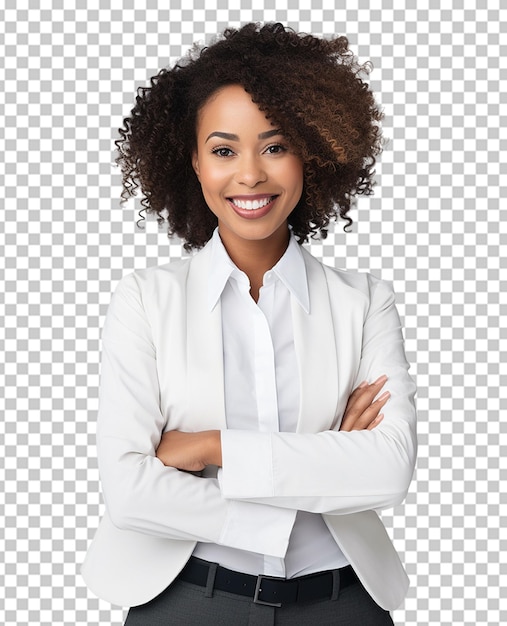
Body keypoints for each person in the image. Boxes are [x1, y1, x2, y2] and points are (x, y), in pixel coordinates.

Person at [82, 22, 417, 625]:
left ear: (311, 152)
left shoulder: (364, 302)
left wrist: (212, 448)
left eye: (275, 145)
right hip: (185, 601)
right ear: (193, 161)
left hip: (341, 605)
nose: (251, 175)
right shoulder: (145, 301)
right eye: (223, 149)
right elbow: (129, 491)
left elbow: (388, 470)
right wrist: (321, 464)